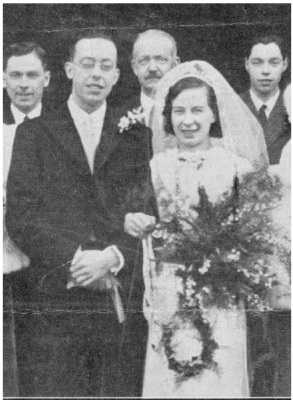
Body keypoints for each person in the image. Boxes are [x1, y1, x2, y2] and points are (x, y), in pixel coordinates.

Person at [6, 31, 155, 397]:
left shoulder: (137, 136)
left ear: (118, 76)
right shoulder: (35, 133)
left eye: (106, 66)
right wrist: (76, 259)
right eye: (87, 64)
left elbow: (149, 208)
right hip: (57, 294)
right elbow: (22, 215)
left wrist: (112, 257)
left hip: (119, 291)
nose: (95, 74)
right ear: (69, 70)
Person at [125, 61, 269, 397]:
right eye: (178, 111)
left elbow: (255, 233)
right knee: (173, 377)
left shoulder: (237, 167)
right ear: (168, 116)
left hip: (221, 294)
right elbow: (143, 220)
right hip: (168, 293)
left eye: (197, 110)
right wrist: (136, 222)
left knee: (219, 376)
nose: (187, 121)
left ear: (213, 115)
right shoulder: (156, 167)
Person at [240, 34, 290, 165]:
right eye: (257, 62)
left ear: (284, 64)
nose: (265, 71)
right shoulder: (232, 106)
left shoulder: (291, 107)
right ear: (247, 64)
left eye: (274, 63)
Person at [128, 29, 180, 152]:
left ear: (175, 64)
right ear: (134, 67)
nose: (152, 68)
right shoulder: (118, 114)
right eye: (144, 61)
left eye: (161, 59)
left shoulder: (189, 111)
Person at [3, 41, 51, 124]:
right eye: (15, 75)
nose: (24, 85)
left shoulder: (62, 121)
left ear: (46, 79)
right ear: (3, 80)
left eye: (32, 75)